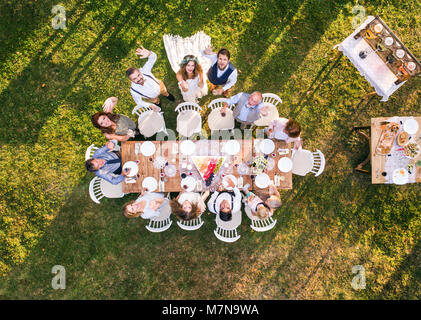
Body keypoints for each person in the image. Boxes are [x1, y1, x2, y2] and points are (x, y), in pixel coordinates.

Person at [126, 46, 175, 110]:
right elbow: (139, 102)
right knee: (156, 101)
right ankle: (158, 103)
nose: (138, 79)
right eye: (134, 79)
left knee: (165, 91)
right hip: (151, 97)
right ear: (131, 81)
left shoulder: (145, 71)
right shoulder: (134, 91)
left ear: (140, 72)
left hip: (159, 86)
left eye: (138, 75)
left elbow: (153, 58)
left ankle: (167, 95)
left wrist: (149, 53)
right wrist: (149, 105)